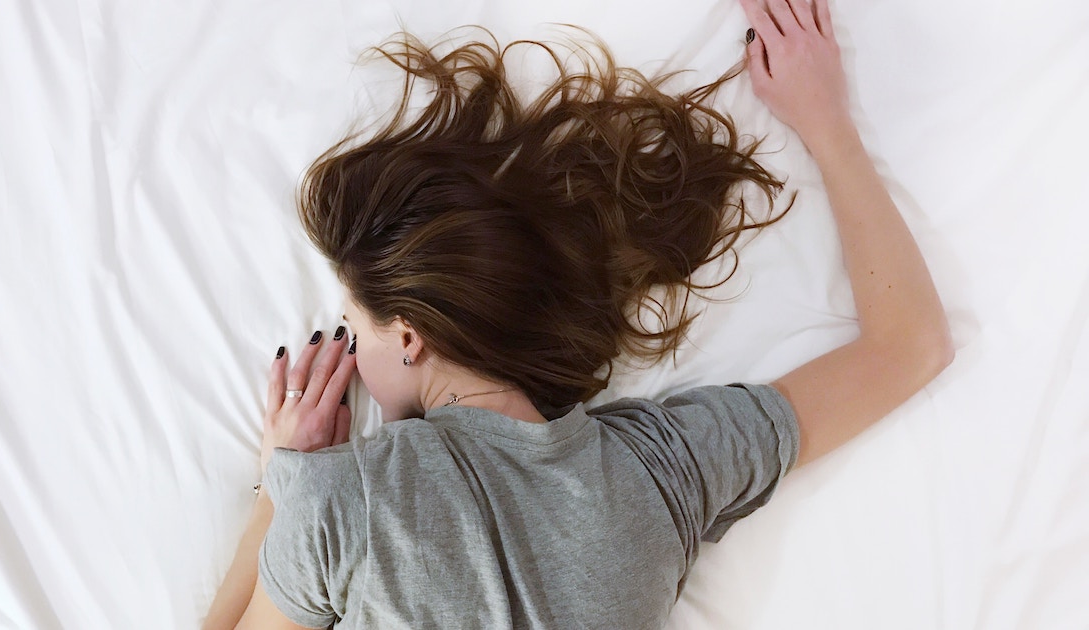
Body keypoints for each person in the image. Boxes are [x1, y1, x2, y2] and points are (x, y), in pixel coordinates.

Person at [204, 0, 953, 627]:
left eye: (355, 325)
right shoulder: (664, 469)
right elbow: (911, 345)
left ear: (408, 337)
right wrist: (826, 124)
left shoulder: (343, 501)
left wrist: (280, 489)